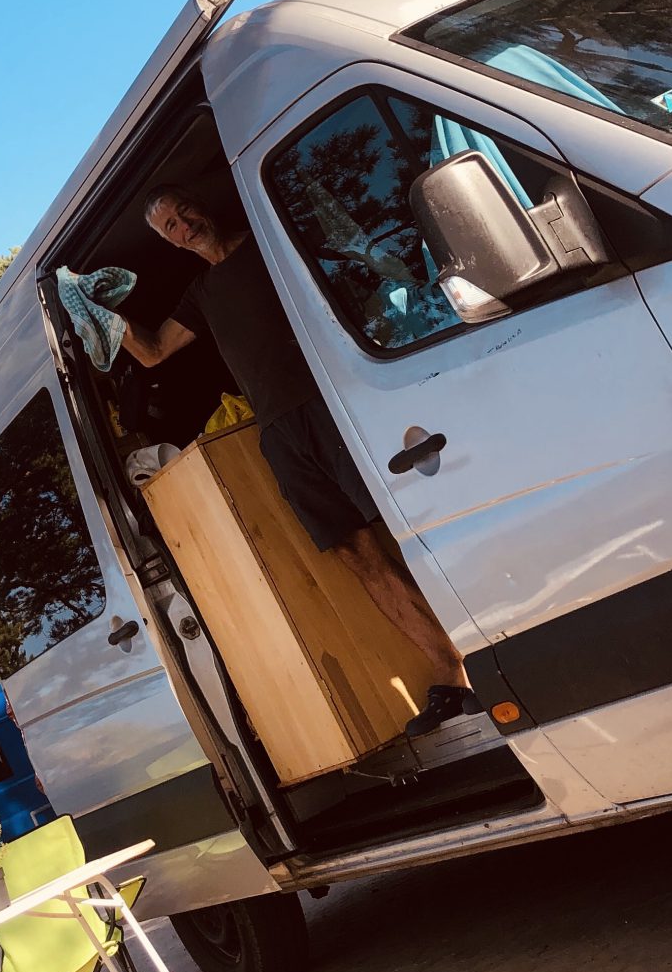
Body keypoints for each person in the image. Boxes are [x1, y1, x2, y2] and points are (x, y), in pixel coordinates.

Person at [122, 183, 480, 739]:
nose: (183, 223)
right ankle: (450, 672)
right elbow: (151, 351)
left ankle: (489, 641)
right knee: (354, 552)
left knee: (411, 523)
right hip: (281, 433)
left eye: (183, 208)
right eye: (169, 225)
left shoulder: (269, 242)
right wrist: (95, 312)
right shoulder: (199, 293)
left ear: (203, 204)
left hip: (334, 401)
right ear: (168, 241)